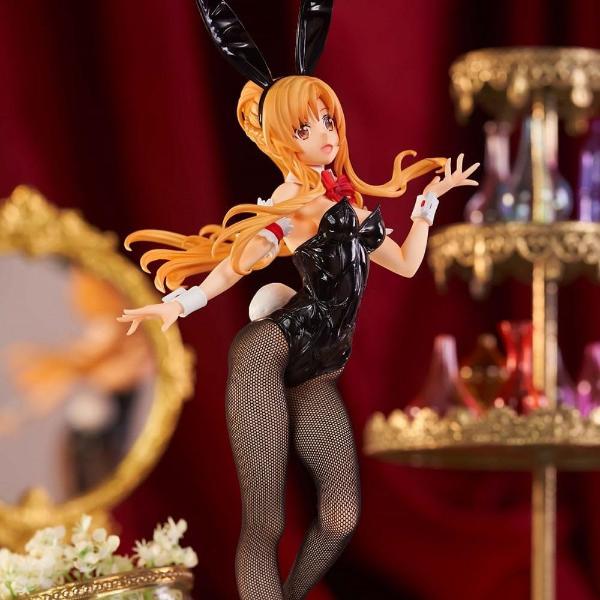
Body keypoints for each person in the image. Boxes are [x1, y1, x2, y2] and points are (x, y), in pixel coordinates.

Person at [117, 3, 479, 599]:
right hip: (268, 353)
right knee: (264, 516)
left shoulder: (349, 203)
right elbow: (242, 260)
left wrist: (429, 202)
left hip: (318, 367)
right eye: (305, 129)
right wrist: (180, 304)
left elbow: (408, 264)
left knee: (340, 516)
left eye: (326, 120)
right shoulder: (294, 202)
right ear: (283, 140)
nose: (325, 136)